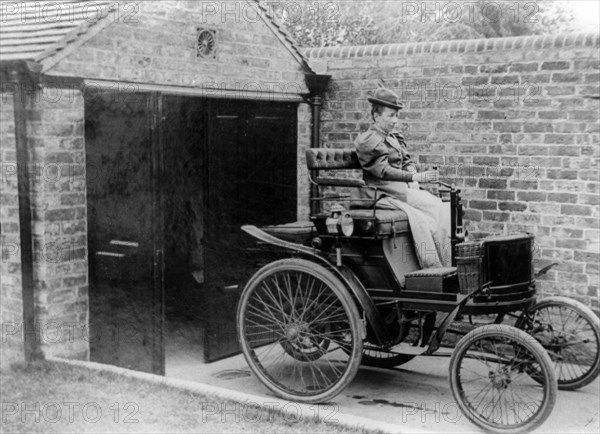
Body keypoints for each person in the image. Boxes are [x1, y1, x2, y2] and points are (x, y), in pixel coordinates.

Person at [355, 87, 451, 268]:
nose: (395, 121)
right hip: (382, 192)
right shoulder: (368, 140)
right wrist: (414, 176)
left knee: (442, 210)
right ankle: (434, 265)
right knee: (436, 209)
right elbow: (383, 170)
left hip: (402, 189)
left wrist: (413, 178)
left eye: (396, 116)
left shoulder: (394, 137)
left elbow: (406, 160)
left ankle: (446, 262)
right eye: (390, 116)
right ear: (376, 116)